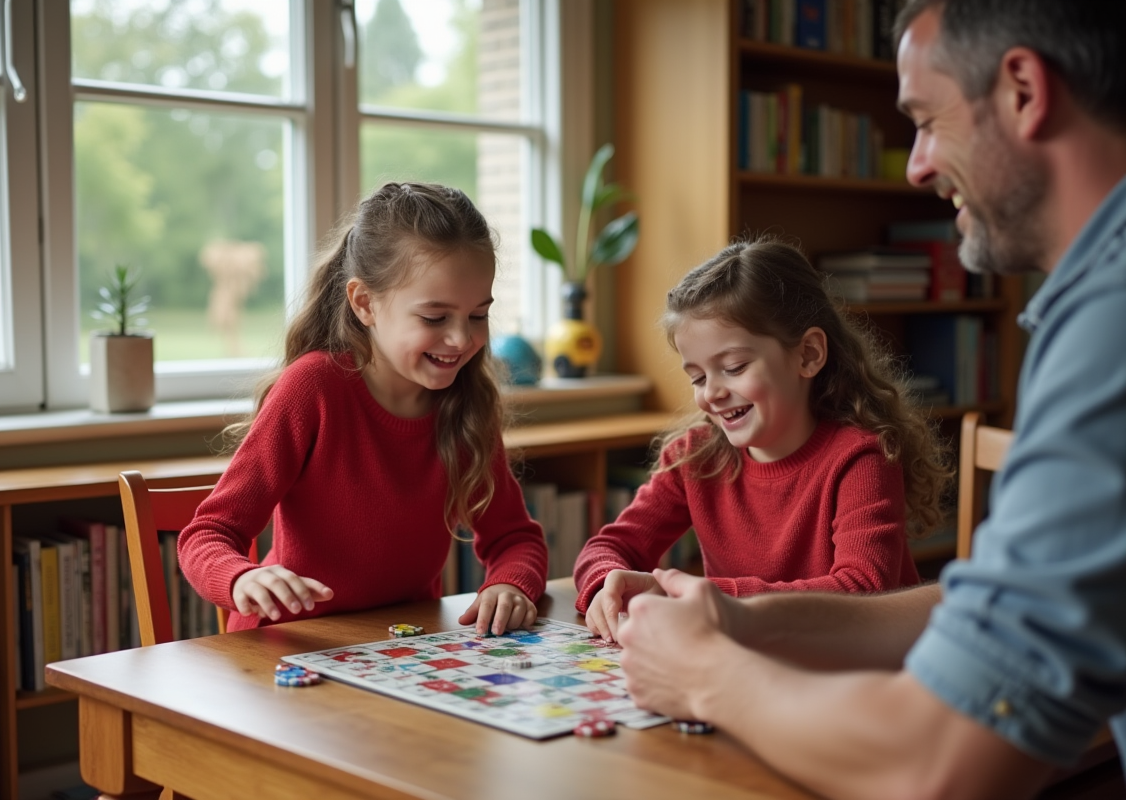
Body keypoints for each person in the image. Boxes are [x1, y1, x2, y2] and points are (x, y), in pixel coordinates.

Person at [617, 1, 1126, 798]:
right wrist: (741, 618)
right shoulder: (1090, 301)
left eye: (926, 120)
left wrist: (707, 676)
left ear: (1024, 90)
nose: (916, 165)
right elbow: (984, 612)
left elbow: (941, 764)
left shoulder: (1110, 323)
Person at [178, 182, 548, 636]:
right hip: (286, 645)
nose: (461, 339)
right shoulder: (312, 388)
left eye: (478, 315)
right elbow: (208, 534)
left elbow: (514, 537)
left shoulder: (465, 404)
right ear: (364, 303)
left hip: (402, 647)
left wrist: (511, 585)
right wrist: (240, 577)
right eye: (435, 318)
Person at [575, 238, 949, 641]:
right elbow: (607, 547)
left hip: (858, 666)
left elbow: (861, 590)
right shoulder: (695, 457)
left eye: (734, 367)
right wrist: (605, 584)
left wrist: (704, 596)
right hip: (753, 661)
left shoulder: (860, 459)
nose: (711, 393)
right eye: (698, 377)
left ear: (808, 355)